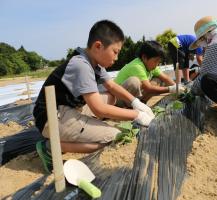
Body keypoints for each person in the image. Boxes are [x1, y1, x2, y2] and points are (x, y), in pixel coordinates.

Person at [33, 20, 155, 173]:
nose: (116, 58)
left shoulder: (94, 63)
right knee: (114, 137)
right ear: (98, 46)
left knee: (111, 97)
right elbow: (98, 109)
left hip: (71, 107)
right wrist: (136, 115)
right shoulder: (81, 65)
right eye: (115, 52)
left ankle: (88, 127)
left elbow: (112, 86)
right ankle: (49, 147)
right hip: (52, 117)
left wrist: (135, 101)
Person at [114, 40, 185, 103]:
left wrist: (177, 88)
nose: (157, 64)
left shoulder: (152, 66)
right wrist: (171, 89)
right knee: (134, 82)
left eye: (159, 62)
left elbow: (165, 78)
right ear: (144, 57)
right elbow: (148, 88)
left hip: (132, 97)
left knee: (157, 80)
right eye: (156, 61)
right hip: (119, 98)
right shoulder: (137, 66)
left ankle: (142, 102)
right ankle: (129, 107)